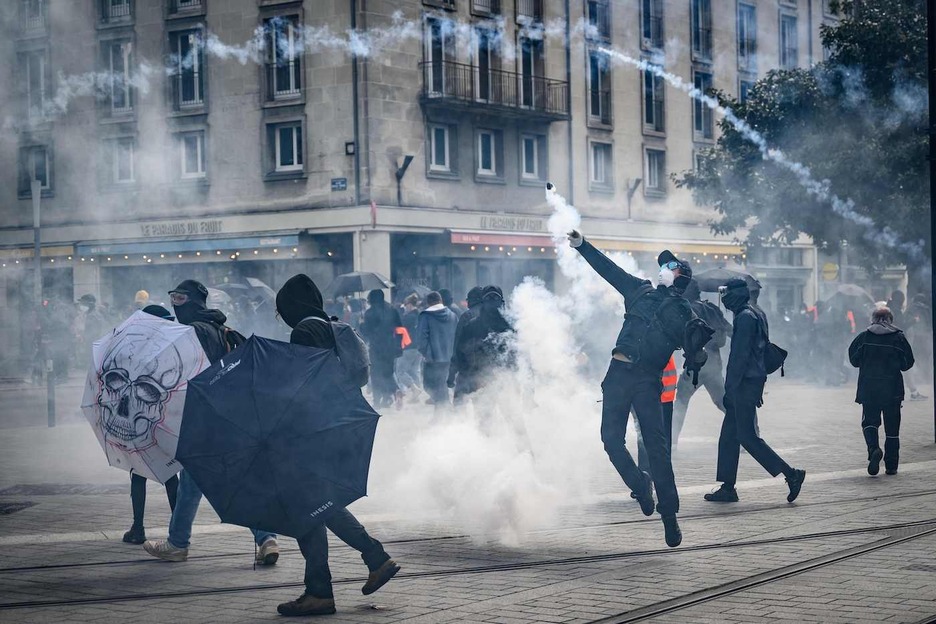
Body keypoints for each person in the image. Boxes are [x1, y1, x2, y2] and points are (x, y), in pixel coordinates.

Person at [569, 231, 712, 548]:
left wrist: (697, 354)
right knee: (610, 441)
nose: (663, 268)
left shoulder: (684, 313)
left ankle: (670, 516)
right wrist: (582, 244)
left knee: (658, 451)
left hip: (648, 382)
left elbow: (695, 349)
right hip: (618, 375)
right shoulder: (639, 291)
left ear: (680, 278)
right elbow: (608, 270)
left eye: (670, 266)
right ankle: (640, 484)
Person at [273, 274, 400, 617]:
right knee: (316, 503)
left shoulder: (304, 331)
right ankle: (368, 561)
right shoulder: (329, 326)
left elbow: (302, 384)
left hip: (312, 430)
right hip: (335, 426)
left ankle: (323, 589)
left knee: (308, 506)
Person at [143, 280, 280, 565]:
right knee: (212, 482)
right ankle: (265, 537)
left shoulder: (191, 332)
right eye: (173, 297)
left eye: (180, 299)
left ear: (194, 301)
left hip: (203, 420)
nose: (175, 304)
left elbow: (177, 374)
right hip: (232, 418)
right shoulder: (223, 330)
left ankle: (178, 543)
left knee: (193, 482)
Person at [705, 279, 806, 504]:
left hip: (743, 384)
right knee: (729, 437)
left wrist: (729, 389)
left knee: (747, 437)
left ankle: (792, 474)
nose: (725, 298)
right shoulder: (755, 313)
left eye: (727, 293)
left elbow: (739, 357)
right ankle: (728, 487)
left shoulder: (744, 317)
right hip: (750, 382)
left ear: (736, 295)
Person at [122, 304, 181, 545]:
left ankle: (138, 528)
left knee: (138, 473)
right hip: (166, 418)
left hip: (138, 420)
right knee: (170, 474)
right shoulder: (173, 348)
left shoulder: (132, 348)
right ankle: (178, 531)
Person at [848, 307, 914, 476]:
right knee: (892, 428)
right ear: (890, 319)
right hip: (892, 389)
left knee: (869, 422)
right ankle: (891, 465)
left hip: (869, 387)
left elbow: (854, 360)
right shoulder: (898, 338)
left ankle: (873, 450)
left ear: (873, 319)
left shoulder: (864, 337)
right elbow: (907, 363)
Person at [671, 279, 731, 448]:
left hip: (696, 365)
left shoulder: (688, 309)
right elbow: (729, 329)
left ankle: (671, 441)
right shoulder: (712, 308)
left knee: (681, 401)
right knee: (724, 402)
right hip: (714, 365)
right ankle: (746, 433)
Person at [634, 355, 678, 484]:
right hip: (655, 394)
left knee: (649, 438)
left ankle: (650, 478)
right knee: (650, 438)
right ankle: (649, 478)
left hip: (656, 394)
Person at [359, 289, 403, 409]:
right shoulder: (392, 310)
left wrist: (361, 324)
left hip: (376, 348)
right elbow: (400, 329)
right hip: (391, 346)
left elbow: (366, 332)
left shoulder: (369, 313)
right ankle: (393, 392)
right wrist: (399, 345)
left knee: (376, 375)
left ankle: (378, 401)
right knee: (388, 373)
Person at [416, 291, 458, 407]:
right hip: (449, 357)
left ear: (428, 303)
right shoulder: (452, 315)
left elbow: (421, 338)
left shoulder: (426, 316)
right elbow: (457, 335)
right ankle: (441, 413)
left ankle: (444, 410)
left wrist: (425, 352)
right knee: (441, 386)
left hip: (432, 359)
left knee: (429, 385)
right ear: (440, 301)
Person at [448, 286, 484, 402]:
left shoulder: (467, 316)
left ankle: (460, 420)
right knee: (484, 408)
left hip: (467, 370)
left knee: (459, 403)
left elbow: (457, 345)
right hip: (486, 371)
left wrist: (452, 374)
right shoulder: (494, 315)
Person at [395, 294, 423, 398]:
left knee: (400, 371)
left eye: (405, 305)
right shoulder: (421, 315)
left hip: (408, 347)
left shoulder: (408, 317)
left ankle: (414, 388)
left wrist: (400, 312)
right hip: (419, 347)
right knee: (415, 371)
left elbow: (398, 326)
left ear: (410, 305)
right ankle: (416, 396)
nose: (405, 307)